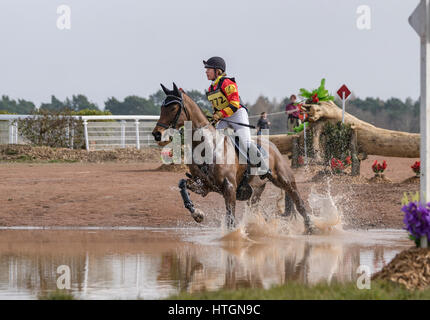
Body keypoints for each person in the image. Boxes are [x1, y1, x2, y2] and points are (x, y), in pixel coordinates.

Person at [203, 56, 270, 179]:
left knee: (245, 142)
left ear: (217, 70)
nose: (206, 71)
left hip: (237, 114)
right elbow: (217, 108)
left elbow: (234, 104)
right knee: (213, 140)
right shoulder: (211, 88)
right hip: (225, 116)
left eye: (208, 69)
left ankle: (264, 167)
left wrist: (219, 114)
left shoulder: (227, 82)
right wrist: (214, 117)